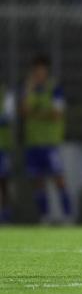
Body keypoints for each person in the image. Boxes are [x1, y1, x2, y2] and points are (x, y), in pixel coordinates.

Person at [20, 56, 71, 223]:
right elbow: (23, 112)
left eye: (41, 70)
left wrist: (34, 114)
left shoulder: (55, 89)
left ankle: (67, 216)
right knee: (38, 181)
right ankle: (45, 217)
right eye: (36, 70)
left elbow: (56, 114)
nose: (38, 74)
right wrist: (28, 92)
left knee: (59, 179)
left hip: (51, 142)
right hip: (33, 142)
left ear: (46, 71)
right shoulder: (29, 89)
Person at [0, 84, 14, 222]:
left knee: (3, 182)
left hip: (2, 147)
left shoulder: (6, 95)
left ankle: (5, 216)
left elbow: (8, 117)